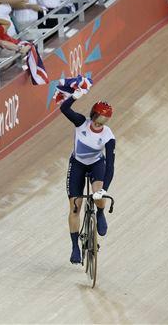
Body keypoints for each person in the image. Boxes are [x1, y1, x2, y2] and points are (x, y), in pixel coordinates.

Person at [60, 95, 115, 264]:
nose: (99, 125)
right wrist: (75, 96)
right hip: (77, 165)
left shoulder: (108, 135)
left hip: (96, 164)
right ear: (92, 115)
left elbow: (111, 166)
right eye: (97, 121)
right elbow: (64, 109)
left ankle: (99, 213)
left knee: (97, 192)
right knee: (75, 208)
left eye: (102, 123)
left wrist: (104, 189)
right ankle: (75, 247)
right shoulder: (80, 123)